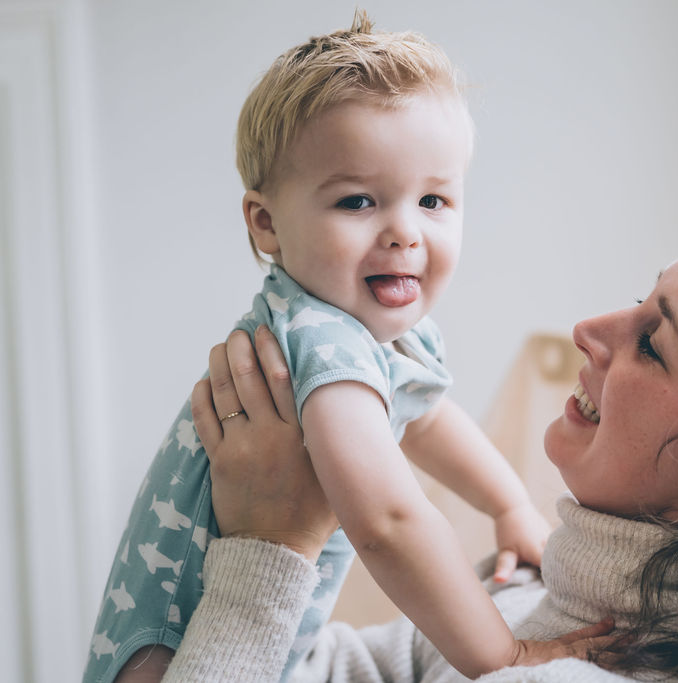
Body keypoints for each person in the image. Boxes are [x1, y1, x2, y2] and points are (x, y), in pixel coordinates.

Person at [164, 195, 678, 682]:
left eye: (654, 343)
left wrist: (267, 548)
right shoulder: (529, 610)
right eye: (640, 298)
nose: (591, 329)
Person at [84, 13, 555, 683]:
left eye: (433, 199)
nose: (405, 232)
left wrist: (510, 506)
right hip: (176, 659)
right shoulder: (318, 337)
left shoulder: (368, 329)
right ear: (267, 223)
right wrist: (502, 654)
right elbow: (387, 521)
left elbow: (424, 415)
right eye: (359, 201)